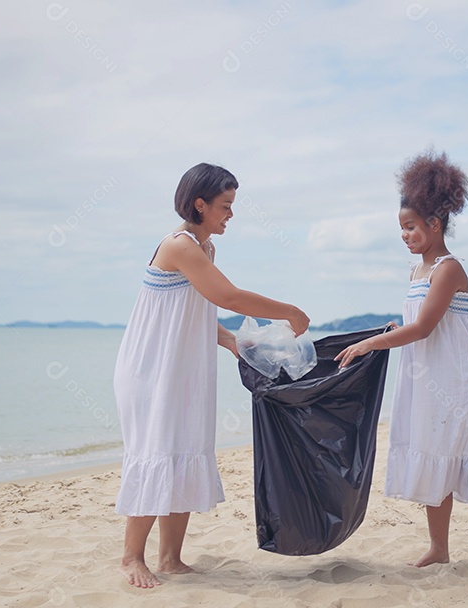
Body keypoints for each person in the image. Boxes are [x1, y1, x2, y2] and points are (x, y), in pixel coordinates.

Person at [113, 163, 309, 588]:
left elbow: (198, 310)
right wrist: (289, 311)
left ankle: (169, 557)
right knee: (157, 451)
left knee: (184, 449)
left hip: (183, 366)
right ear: (199, 205)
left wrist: (230, 342)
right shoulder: (180, 245)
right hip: (151, 368)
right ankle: (131, 557)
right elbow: (227, 296)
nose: (230, 215)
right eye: (225, 206)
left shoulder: (205, 248)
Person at [335, 149, 468, 576]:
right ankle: (439, 548)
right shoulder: (417, 270)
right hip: (426, 375)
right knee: (435, 454)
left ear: (435, 224)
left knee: (467, 455)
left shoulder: (448, 269)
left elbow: (427, 328)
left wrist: (372, 344)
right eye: (401, 228)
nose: (405, 235)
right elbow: (416, 320)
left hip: (457, 376)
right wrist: (392, 326)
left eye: (411, 227)